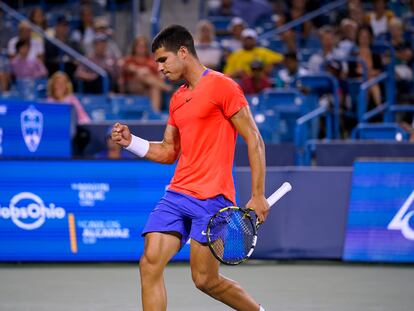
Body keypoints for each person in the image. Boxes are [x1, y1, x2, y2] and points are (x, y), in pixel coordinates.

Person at [111, 24, 269, 311]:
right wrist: (130, 141)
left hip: (213, 199)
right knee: (149, 263)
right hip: (177, 194)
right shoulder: (177, 99)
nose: (159, 68)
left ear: (183, 52)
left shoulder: (223, 86)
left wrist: (258, 194)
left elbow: (254, 139)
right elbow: (169, 152)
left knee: (205, 280)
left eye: (163, 60)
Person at [118, 35, 171, 111]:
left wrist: (159, 75)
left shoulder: (151, 61)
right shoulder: (129, 59)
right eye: (139, 46)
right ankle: (168, 88)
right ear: (134, 47)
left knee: (155, 89)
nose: (141, 48)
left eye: (143, 46)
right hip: (132, 86)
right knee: (142, 74)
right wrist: (138, 70)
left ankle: (155, 114)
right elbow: (125, 68)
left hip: (146, 88)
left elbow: (159, 74)